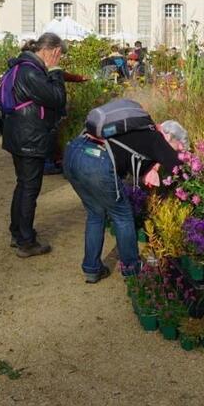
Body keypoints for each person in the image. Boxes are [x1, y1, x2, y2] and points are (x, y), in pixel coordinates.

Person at [64, 115, 187, 283]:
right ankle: (131, 268)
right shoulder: (157, 138)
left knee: (95, 213)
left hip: (74, 152)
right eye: (177, 148)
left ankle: (91, 269)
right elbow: (177, 168)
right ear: (170, 136)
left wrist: (154, 168)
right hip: (96, 161)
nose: (176, 151)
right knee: (123, 215)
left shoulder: (140, 129)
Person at [2, 32, 67, 258]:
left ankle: (17, 232)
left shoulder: (22, 66)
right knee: (30, 189)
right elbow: (58, 98)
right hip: (30, 137)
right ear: (54, 51)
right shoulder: (31, 71)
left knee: (23, 185)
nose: (58, 60)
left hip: (19, 134)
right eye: (59, 56)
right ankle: (26, 241)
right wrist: (56, 72)